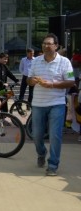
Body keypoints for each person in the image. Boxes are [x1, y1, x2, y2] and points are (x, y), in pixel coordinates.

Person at [27, 33, 75, 176]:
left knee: (55, 135)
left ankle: (53, 165)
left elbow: (71, 82)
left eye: (49, 43)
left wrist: (52, 84)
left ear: (56, 46)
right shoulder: (35, 61)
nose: (46, 46)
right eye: (44, 43)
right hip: (38, 104)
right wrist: (33, 81)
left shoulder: (65, 62)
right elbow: (28, 80)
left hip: (57, 103)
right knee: (36, 135)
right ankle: (41, 153)